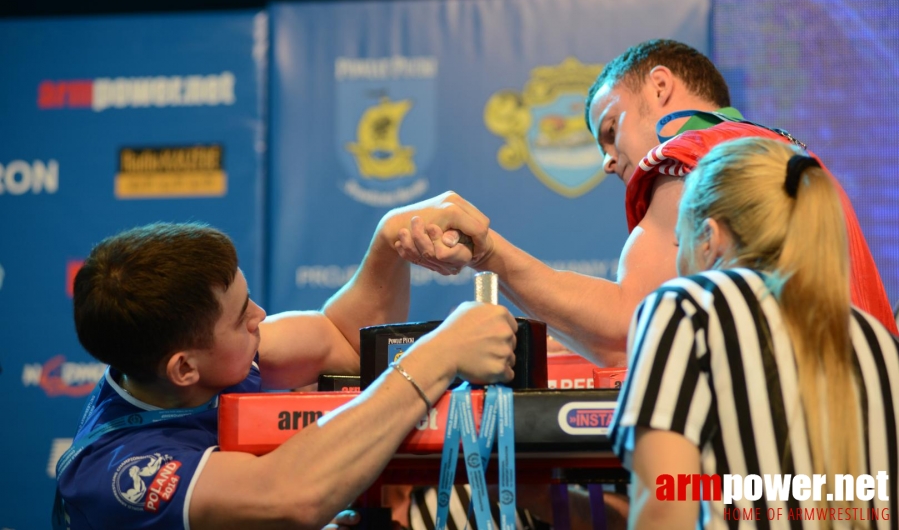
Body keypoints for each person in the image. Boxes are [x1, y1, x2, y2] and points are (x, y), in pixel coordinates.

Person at [392, 39, 896, 367]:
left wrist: (488, 253)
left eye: (611, 130)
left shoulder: (690, 152)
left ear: (660, 86)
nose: (609, 162)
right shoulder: (785, 155)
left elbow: (630, 330)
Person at [54, 198, 518, 530]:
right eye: (241, 318)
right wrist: (438, 354)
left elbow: (343, 339)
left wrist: (390, 239)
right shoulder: (118, 473)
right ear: (183, 369)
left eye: (248, 299)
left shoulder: (205, 363)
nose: (260, 316)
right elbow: (288, 496)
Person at [609, 137, 899, 528]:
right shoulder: (882, 344)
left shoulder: (688, 310)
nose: (678, 261)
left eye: (681, 240)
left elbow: (664, 509)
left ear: (710, 239)